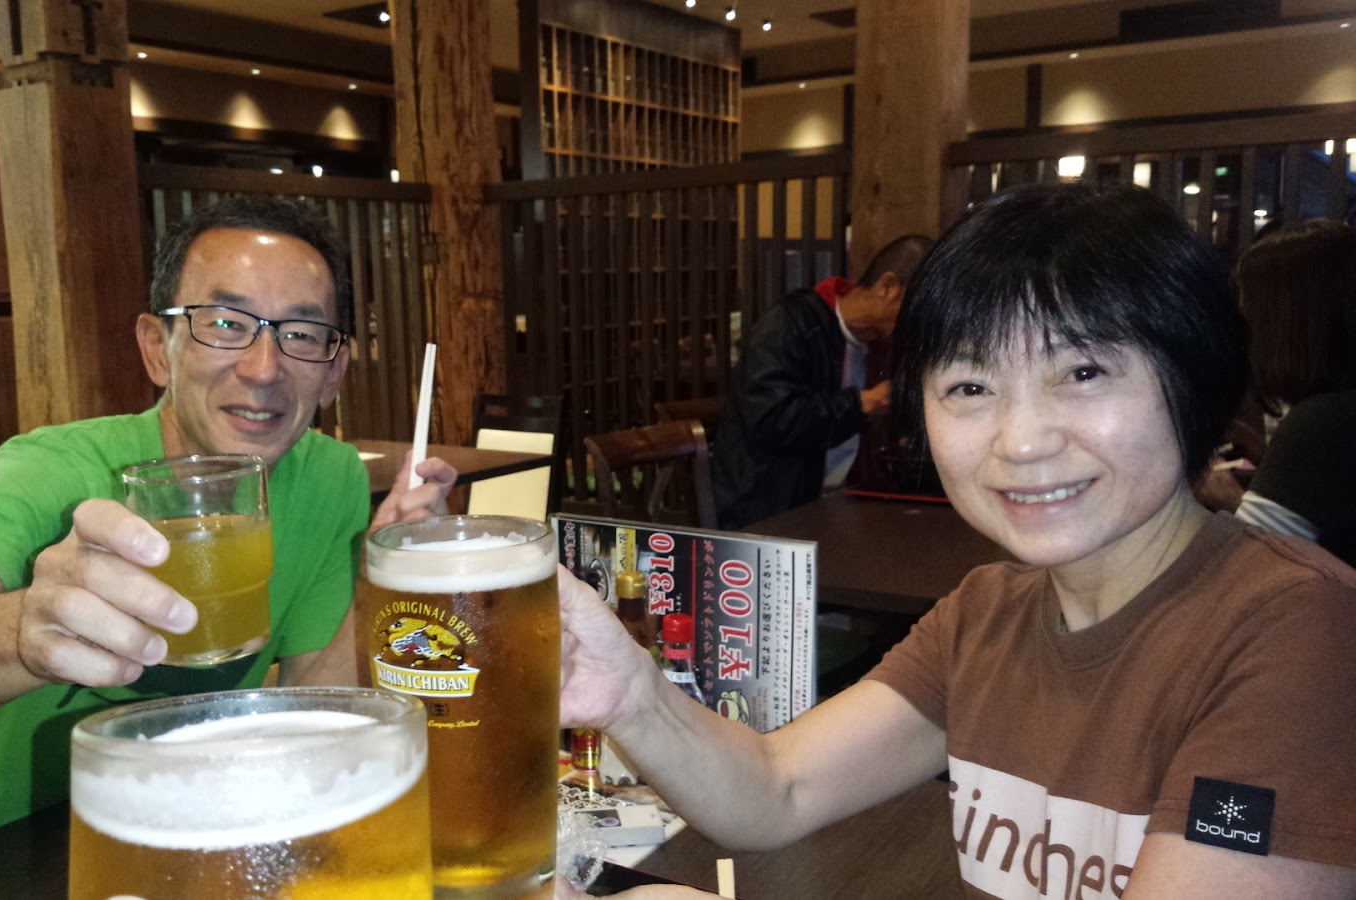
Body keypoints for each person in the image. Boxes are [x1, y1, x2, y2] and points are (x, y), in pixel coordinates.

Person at [556, 183, 1356, 898]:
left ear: (1193, 377)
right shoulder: (986, 612)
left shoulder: (1301, 629)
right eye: (971, 386)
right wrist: (630, 695)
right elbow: (778, 786)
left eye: (1082, 372)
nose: (1023, 441)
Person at [0, 195, 456, 868]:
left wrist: (381, 576)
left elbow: (315, 703)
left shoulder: (329, 475)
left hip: (195, 843)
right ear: (157, 349)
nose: (263, 368)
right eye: (225, 324)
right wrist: (29, 629)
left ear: (334, 371)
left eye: (303, 335)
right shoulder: (55, 469)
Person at [711, 234, 934, 529]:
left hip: (849, 504)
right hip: (774, 510)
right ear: (888, 287)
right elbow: (772, 421)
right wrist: (863, 404)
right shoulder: (790, 324)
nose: (921, 325)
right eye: (919, 310)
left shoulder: (884, 345)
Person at [1227, 219, 1356, 567]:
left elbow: (1248, 565)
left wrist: (1220, 495)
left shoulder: (1325, 422)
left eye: (1249, 314)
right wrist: (1269, 454)